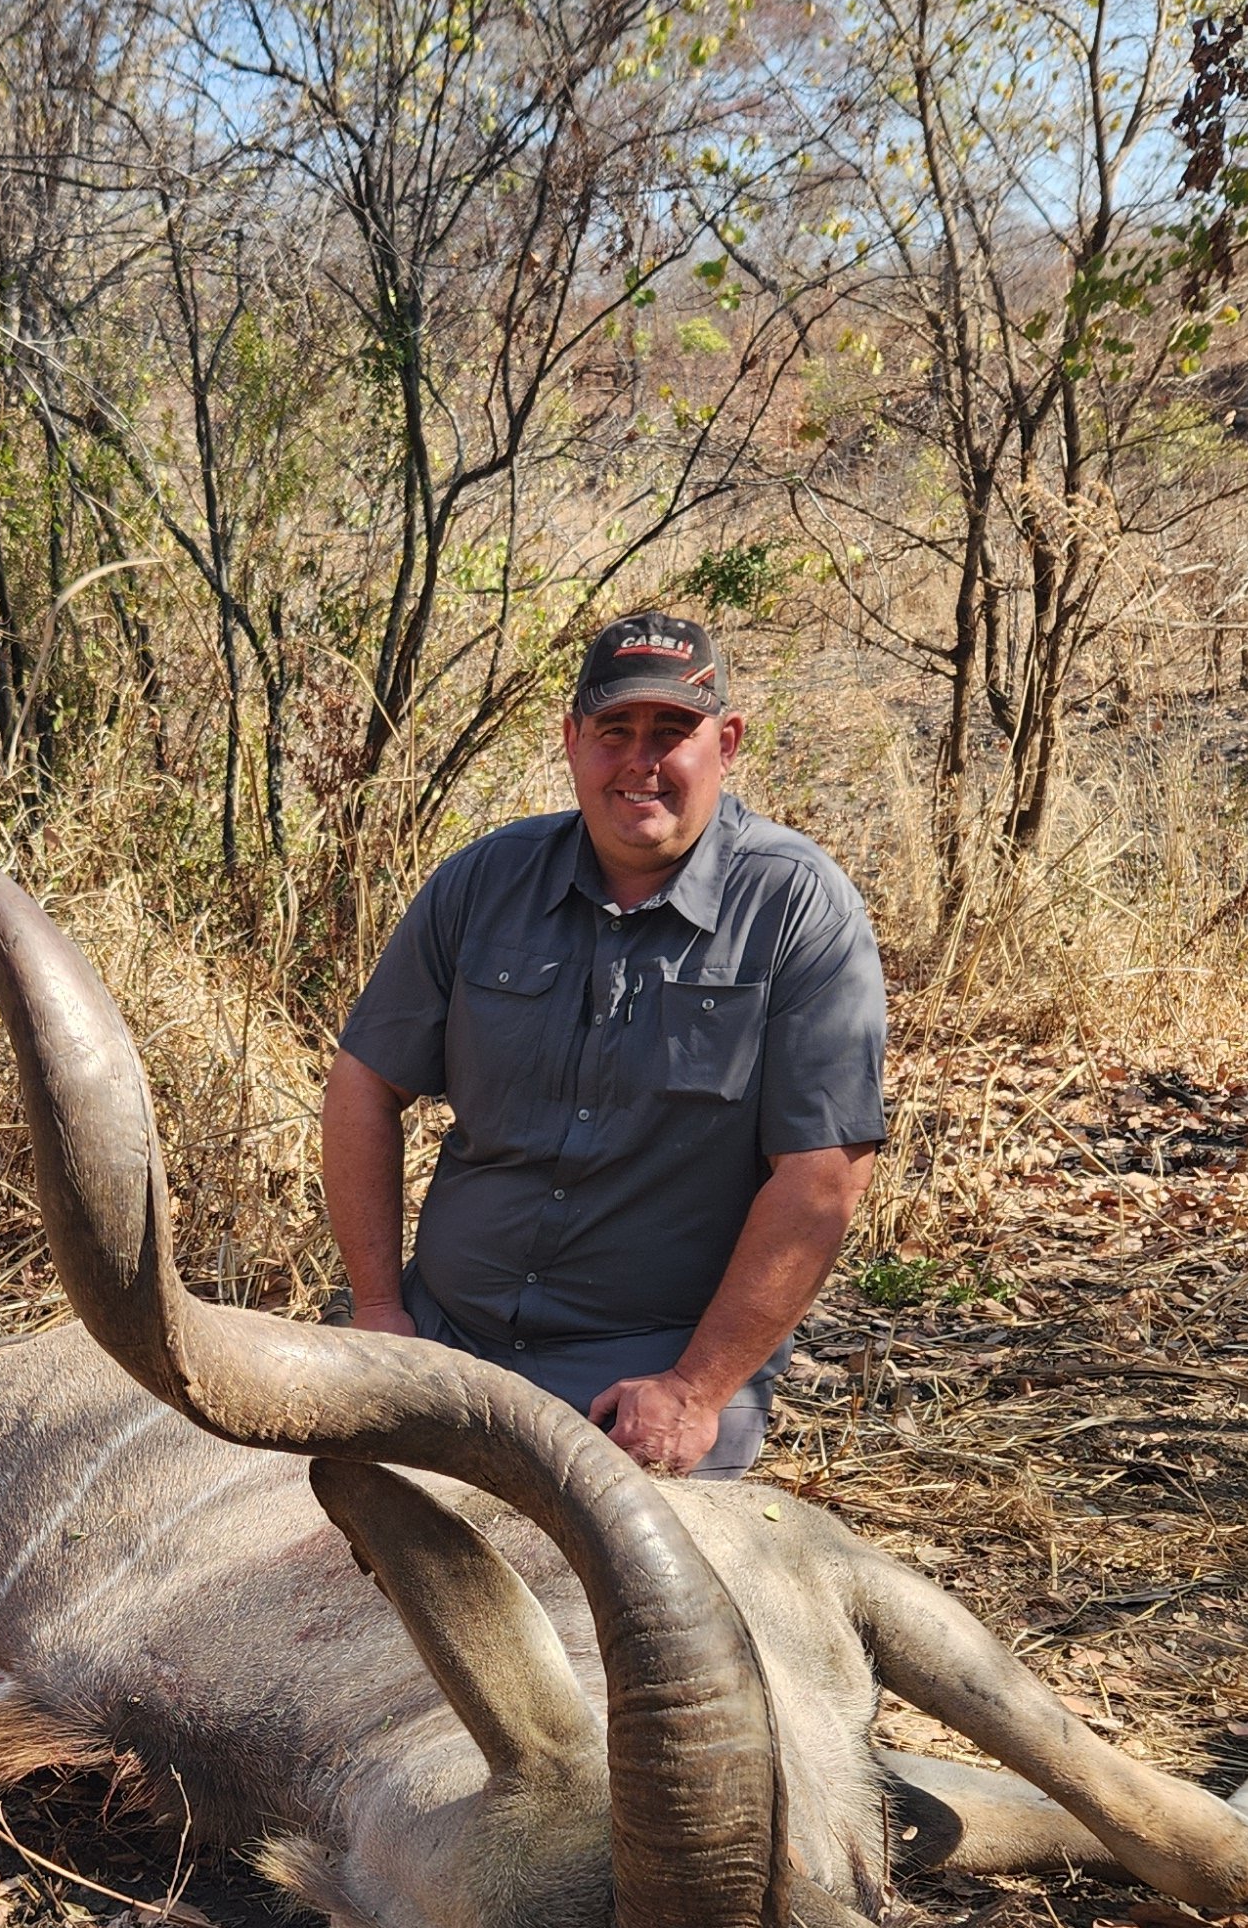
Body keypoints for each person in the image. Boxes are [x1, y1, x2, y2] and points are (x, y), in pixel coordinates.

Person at [323, 610, 886, 1478]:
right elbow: (364, 1083)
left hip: (638, 1376)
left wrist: (695, 1393)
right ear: (571, 741)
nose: (641, 761)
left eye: (673, 732)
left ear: (726, 742)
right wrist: (379, 1309)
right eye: (614, 730)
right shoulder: (486, 879)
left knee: (605, 1603)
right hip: (441, 1337)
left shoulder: (796, 907)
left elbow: (824, 1176)